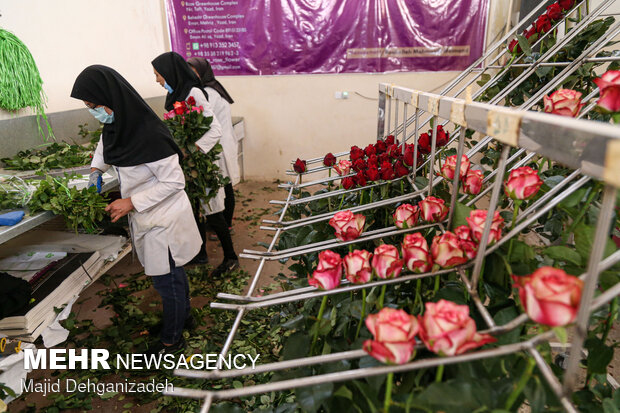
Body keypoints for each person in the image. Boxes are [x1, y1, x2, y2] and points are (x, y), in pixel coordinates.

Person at [72, 65, 200, 355]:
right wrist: (95, 171)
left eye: (94, 106)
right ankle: (183, 318)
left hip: (164, 218)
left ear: (111, 97)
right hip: (147, 217)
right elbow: (103, 148)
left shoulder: (149, 134)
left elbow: (174, 181)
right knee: (168, 274)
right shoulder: (117, 125)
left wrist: (130, 202)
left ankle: (172, 340)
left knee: (168, 280)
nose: (94, 113)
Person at [151, 52, 239, 277]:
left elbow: (214, 129)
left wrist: (189, 151)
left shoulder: (194, 93)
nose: (157, 80)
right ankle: (200, 254)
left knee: (213, 211)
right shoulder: (177, 94)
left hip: (202, 163)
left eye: (158, 75)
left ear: (171, 72)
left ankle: (230, 257)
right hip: (190, 164)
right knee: (196, 209)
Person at [187, 57, 238, 230]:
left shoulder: (209, 94)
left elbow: (205, 122)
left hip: (218, 145)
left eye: (193, 72)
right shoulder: (212, 89)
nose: (190, 75)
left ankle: (226, 224)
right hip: (222, 143)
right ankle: (225, 223)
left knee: (224, 186)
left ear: (202, 72)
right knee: (225, 183)